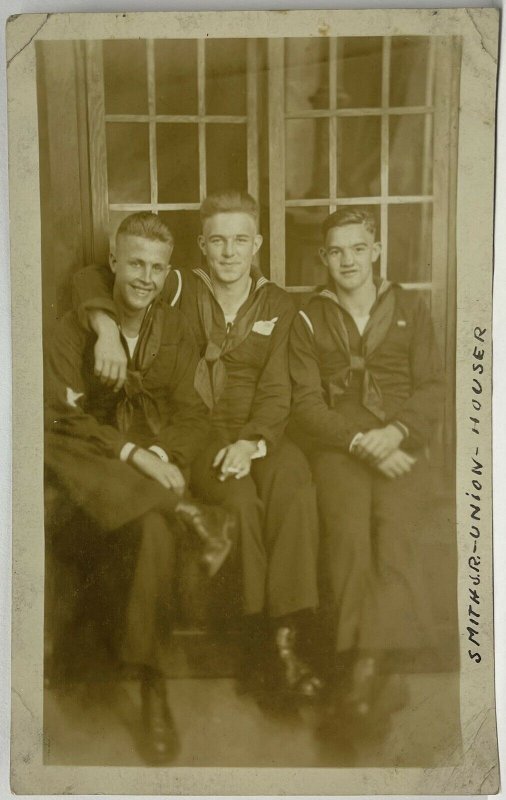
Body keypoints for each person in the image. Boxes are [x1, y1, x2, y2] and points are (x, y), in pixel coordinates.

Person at [71, 190, 322, 701]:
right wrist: (103, 328)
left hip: (260, 430)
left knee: (294, 484)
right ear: (202, 246)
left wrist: (253, 442)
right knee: (241, 504)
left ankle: (288, 637)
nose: (229, 253)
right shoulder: (179, 286)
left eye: (240, 241)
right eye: (218, 242)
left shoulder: (278, 302)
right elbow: (90, 277)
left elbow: (278, 390)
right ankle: (258, 642)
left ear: (257, 243)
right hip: (199, 429)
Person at [45, 212, 236, 765]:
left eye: (156, 267)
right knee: (49, 435)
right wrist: (129, 454)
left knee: (153, 530)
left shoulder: (174, 329)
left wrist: (158, 455)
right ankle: (188, 512)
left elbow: (194, 415)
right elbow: (60, 418)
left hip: (141, 478)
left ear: (167, 271)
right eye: (135, 264)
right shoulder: (75, 329)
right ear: (113, 264)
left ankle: (154, 687)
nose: (145, 278)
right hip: (88, 484)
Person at [289, 206, 444, 729]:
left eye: (358, 248)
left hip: (400, 442)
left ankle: (372, 662)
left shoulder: (410, 308)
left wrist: (396, 433)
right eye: (336, 251)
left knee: (394, 524)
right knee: (348, 529)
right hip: (340, 445)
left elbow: (432, 388)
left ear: (375, 251)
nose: (347, 260)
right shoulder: (309, 315)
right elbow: (306, 404)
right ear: (323, 257)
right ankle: (362, 665)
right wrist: (359, 440)